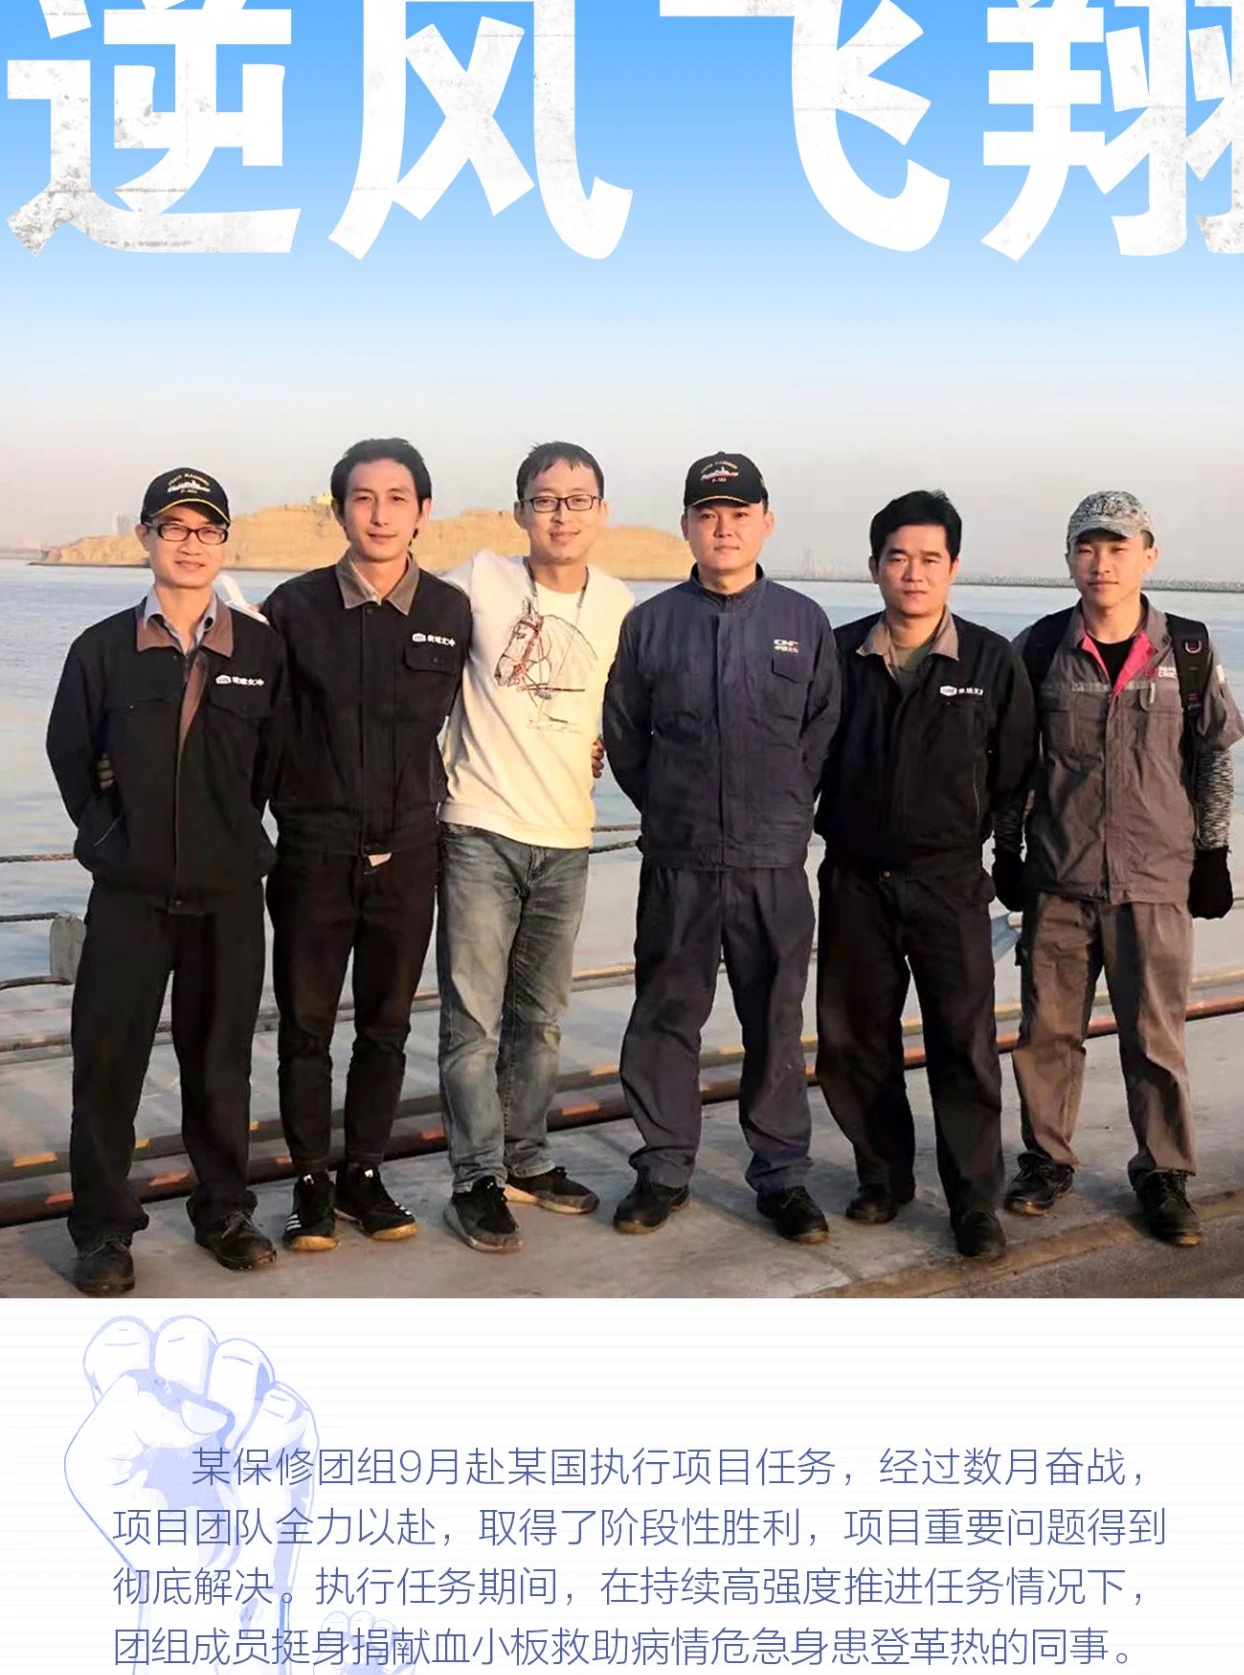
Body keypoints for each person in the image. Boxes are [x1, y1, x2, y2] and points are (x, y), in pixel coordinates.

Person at [46, 467, 287, 1294]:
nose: (190, 543)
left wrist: (229, 835)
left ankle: (223, 1211)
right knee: (106, 1067)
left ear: (225, 542)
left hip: (228, 897)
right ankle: (104, 1230)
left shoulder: (260, 651)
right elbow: (70, 755)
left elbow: (272, 764)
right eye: (174, 527)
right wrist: (110, 834)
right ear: (146, 536)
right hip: (129, 896)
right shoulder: (102, 649)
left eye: (206, 529)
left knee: (220, 1064)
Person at [993, 491, 1244, 1246]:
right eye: (1086, 548)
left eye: (1117, 547)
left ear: (1148, 556)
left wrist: (1213, 854)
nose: (1101, 563)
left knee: (1155, 1037)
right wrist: (1008, 852)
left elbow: (1213, 761)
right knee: (1047, 1033)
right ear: (1070, 558)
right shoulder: (1038, 649)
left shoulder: (1188, 651)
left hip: (1156, 881)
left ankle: (1163, 1172)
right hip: (1060, 879)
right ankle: (1047, 1160)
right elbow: (1013, 767)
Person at [603, 451, 840, 1241]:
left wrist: (783, 811)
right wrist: (673, 809)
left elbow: (821, 733)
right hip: (680, 862)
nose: (724, 528)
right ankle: (664, 1167)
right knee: (665, 1017)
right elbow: (626, 736)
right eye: (708, 515)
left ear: (765, 522)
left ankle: (782, 1177)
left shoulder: (802, 623)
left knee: (775, 1020)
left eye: (739, 514)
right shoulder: (650, 624)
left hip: (773, 863)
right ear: (687, 526)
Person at [815, 490, 1035, 1262]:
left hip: (949, 882)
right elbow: (802, 758)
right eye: (898, 557)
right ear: (875, 565)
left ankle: (974, 1201)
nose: (913, 572)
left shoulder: (989, 659)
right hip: (853, 878)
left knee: (964, 1043)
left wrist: (1009, 862)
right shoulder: (838, 654)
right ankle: (883, 1177)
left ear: (953, 567)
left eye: (929, 559)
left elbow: (1014, 776)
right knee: (854, 1039)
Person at [261, 437, 470, 1252]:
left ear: (423, 511)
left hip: (411, 854)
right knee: (306, 1028)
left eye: (396, 498)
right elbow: (253, 726)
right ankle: (311, 1181)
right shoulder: (294, 608)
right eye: (362, 498)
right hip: (312, 852)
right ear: (340, 510)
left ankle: (365, 1175)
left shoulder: (450, 613)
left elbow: (498, 711)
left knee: (387, 1027)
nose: (380, 515)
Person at [435, 441, 634, 1252]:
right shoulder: (478, 580)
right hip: (479, 829)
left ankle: (527, 1157)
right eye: (545, 499)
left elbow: (626, 709)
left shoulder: (618, 604)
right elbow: (402, 642)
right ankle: (476, 1178)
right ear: (520, 510)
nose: (561, 514)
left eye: (578, 500)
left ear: (601, 513)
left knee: (541, 1020)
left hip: (567, 837)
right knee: (472, 1023)